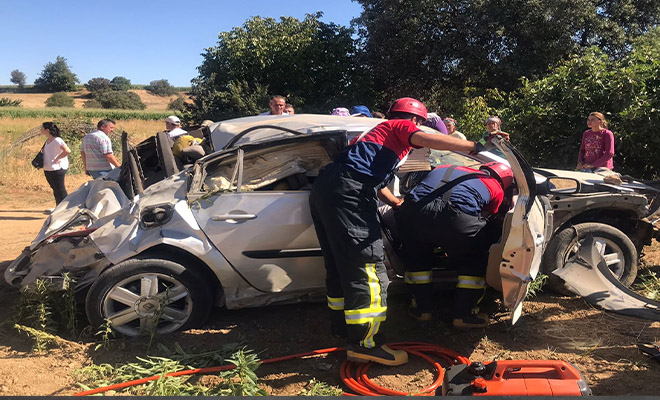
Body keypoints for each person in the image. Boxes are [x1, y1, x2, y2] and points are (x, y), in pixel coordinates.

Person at [309, 97, 500, 366]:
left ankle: (343, 329)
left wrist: (396, 203)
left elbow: (370, 179)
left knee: (340, 266)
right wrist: (478, 146)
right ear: (415, 121)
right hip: (350, 193)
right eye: (419, 124)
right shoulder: (399, 126)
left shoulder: (370, 138)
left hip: (328, 188)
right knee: (368, 268)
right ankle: (366, 344)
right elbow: (430, 141)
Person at [395, 162, 514, 328]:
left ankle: (422, 311)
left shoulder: (443, 168)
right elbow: (489, 215)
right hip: (456, 219)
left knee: (417, 259)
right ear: (505, 181)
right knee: (474, 260)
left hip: (413, 213)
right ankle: (464, 315)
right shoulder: (496, 187)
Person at [40, 122, 70, 207]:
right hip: (48, 168)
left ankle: (66, 207)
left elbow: (67, 151)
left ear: (47, 130)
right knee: (55, 189)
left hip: (58, 168)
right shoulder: (48, 140)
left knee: (60, 189)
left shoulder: (57, 140)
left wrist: (58, 158)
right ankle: (59, 206)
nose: (40, 130)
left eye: (42, 128)